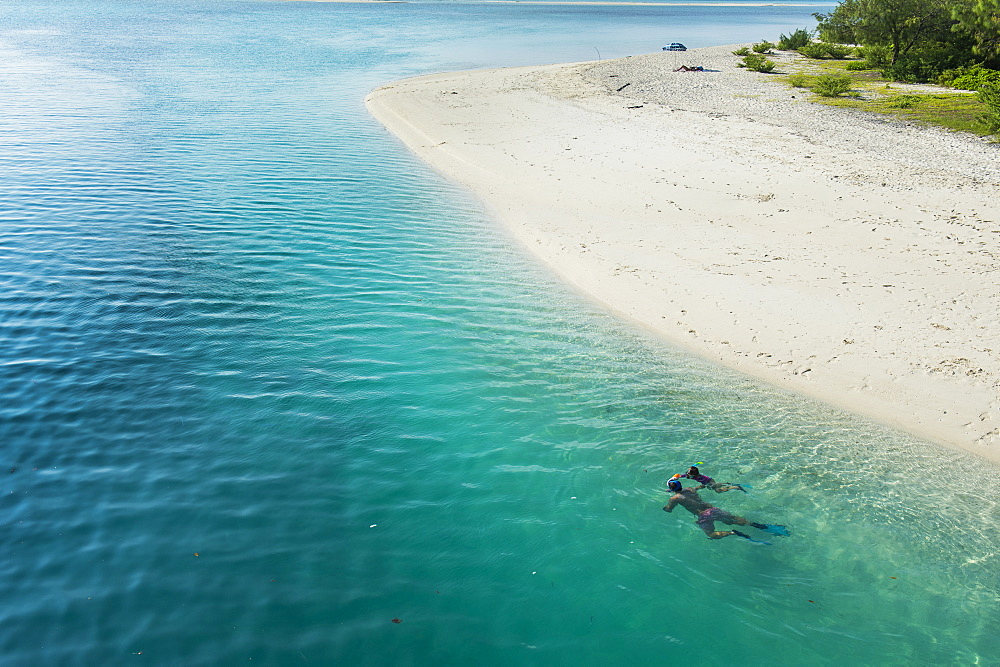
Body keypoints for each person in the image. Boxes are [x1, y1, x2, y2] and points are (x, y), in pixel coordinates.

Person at [663, 477, 787, 541]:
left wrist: (666, 507)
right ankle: (758, 525)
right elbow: (699, 487)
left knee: (711, 534)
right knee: (733, 519)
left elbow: (669, 509)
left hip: (703, 516)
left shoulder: (675, 498)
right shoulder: (689, 488)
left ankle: (732, 533)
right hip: (712, 509)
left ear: (671, 489)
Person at [681, 465, 745, 493]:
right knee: (717, 487)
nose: (687, 475)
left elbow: (704, 484)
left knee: (718, 491)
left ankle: (735, 487)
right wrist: (677, 477)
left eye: (689, 474)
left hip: (710, 482)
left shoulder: (700, 477)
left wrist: (698, 487)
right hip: (708, 481)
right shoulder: (693, 475)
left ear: (694, 475)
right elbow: (684, 475)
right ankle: (726, 484)